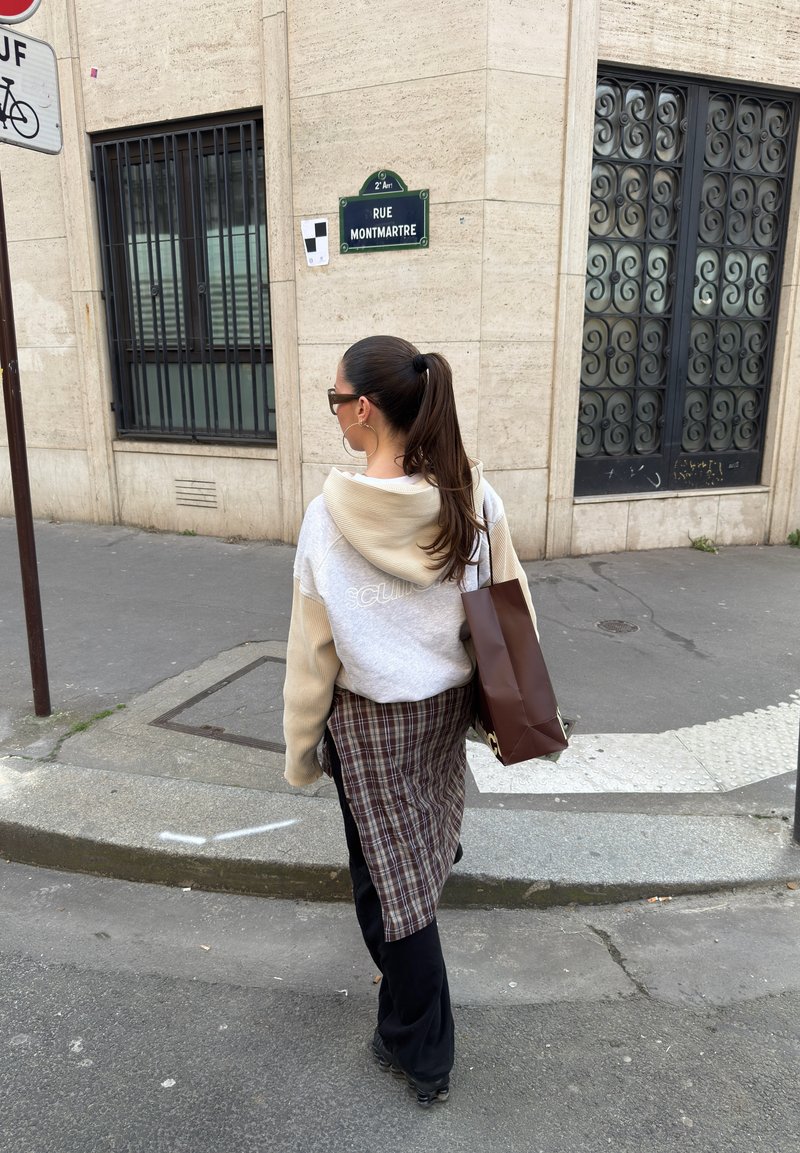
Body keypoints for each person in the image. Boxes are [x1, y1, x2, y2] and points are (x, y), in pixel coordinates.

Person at [282, 334, 537, 1107]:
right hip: (439, 719)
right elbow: (510, 609)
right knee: (413, 861)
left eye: (335, 400)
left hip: (367, 727)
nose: (333, 413)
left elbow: (312, 654)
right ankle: (402, 1021)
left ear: (363, 411)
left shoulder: (328, 521)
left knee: (386, 893)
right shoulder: (472, 498)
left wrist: (301, 750)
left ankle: (424, 1052)